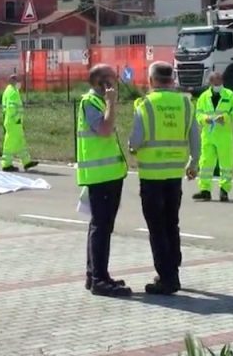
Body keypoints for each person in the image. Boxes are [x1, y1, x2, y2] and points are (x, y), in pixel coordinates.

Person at [129, 61, 200, 295]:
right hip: (174, 174)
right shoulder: (186, 103)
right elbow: (195, 136)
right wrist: (194, 162)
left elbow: (135, 141)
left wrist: (132, 147)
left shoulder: (145, 105)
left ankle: (167, 278)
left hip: (151, 175)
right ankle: (173, 268)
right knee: (172, 223)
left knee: (156, 228)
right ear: (172, 79)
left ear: (151, 80)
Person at [77, 63, 132, 297]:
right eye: (112, 77)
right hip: (101, 176)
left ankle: (97, 274)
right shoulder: (91, 102)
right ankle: (99, 279)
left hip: (110, 174)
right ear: (102, 82)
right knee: (101, 227)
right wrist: (111, 102)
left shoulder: (98, 102)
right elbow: (105, 130)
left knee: (102, 226)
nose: (117, 79)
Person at [192, 71, 233, 202]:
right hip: (208, 135)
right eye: (215, 81)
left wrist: (225, 118)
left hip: (224, 135)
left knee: (226, 164)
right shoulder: (203, 97)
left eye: (220, 81)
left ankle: (224, 190)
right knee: (206, 163)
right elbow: (198, 114)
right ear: (210, 82)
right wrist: (204, 119)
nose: (218, 84)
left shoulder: (229, 95)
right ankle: (205, 190)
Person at [1, 74, 38, 172]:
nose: (20, 83)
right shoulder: (12, 92)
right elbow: (11, 108)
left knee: (20, 142)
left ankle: (27, 162)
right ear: (13, 81)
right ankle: (6, 164)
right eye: (18, 80)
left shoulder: (10, 91)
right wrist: (17, 119)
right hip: (13, 122)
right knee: (10, 143)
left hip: (14, 122)